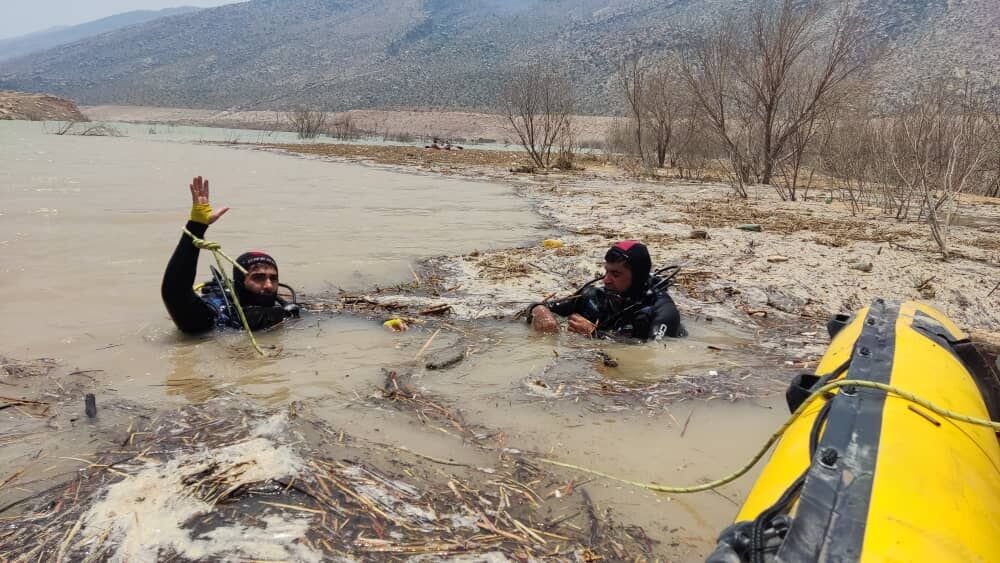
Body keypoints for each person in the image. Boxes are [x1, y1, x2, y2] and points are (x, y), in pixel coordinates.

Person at [161, 176, 298, 334]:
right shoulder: (211, 318)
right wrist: (196, 227)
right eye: (258, 277)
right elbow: (174, 292)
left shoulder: (285, 310)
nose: (268, 285)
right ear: (240, 282)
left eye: (273, 278)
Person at [528, 240, 684, 341]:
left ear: (637, 276)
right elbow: (537, 306)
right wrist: (541, 313)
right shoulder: (593, 297)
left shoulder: (663, 310)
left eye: (615, 274)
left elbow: (655, 352)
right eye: (606, 271)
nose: (606, 280)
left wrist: (595, 334)